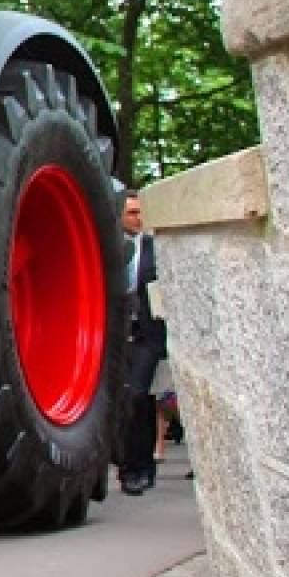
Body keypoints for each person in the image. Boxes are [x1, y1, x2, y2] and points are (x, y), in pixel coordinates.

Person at [118, 190, 168, 496]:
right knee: (122, 401)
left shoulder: (155, 249)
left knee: (138, 396)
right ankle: (126, 465)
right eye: (132, 213)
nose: (139, 218)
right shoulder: (107, 249)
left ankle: (140, 469)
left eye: (141, 212)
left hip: (146, 336)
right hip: (116, 336)